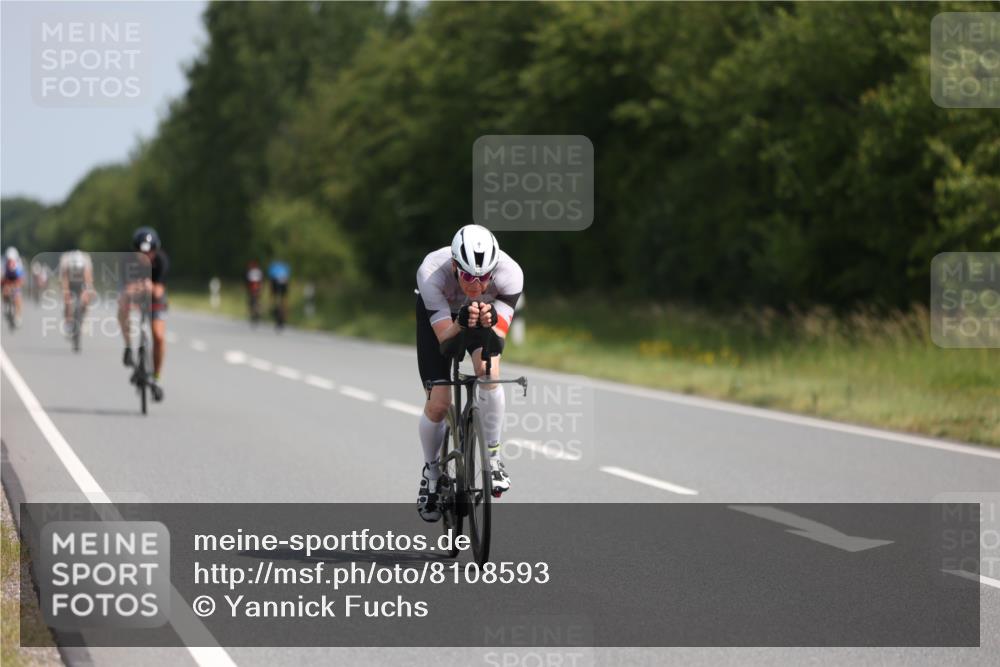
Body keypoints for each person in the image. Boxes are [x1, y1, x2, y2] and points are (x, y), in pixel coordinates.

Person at [414, 224, 523, 522]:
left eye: (484, 278)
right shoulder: (431, 273)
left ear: (494, 270)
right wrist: (460, 324)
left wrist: (488, 323)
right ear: (454, 265)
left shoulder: (510, 274)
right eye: (467, 277)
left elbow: (497, 341)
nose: (476, 285)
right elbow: (446, 344)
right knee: (438, 402)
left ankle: (494, 458)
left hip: (482, 316)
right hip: (441, 320)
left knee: (489, 372)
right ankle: (432, 474)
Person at [118, 227, 168, 401]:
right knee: (122, 305)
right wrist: (136, 290)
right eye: (141, 253)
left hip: (154, 298)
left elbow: (160, 291)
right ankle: (128, 347)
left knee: (159, 336)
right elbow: (126, 290)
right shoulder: (127, 262)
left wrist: (151, 287)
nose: (146, 256)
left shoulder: (161, 261)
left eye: (150, 252)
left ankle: (156, 377)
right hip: (134, 296)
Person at [58, 249, 94, 334]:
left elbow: (88, 280)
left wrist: (87, 292)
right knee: (67, 300)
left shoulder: (86, 264)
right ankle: (68, 321)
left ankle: (83, 319)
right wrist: (66, 293)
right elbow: (64, 281)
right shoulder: (66, 264)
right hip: (70, 283)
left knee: (87, 298)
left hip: (82, 283)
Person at [2, 247, 25, 326]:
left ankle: (18, 316)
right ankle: (6, 305)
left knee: (17, 297)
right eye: (9, 260)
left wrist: (17, 287)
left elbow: (21, 279)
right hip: (7, 280)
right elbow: (2, 278)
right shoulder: (4, 264)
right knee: (5, 291)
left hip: (16, 281)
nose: (10, 261)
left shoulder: (19, 264)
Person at [267, 259, 290, 328]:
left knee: (275, 296)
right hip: (284, 282)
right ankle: (285, 311)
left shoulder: (273, 266)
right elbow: (287, 278)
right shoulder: (285, 266)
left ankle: (273, 306)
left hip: (275, 282)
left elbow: (271, 280)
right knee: (284, 298)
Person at [245, 259, 264, 324]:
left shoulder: (250, 271)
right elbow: (261, 281)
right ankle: (258, 310)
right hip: (257, 287)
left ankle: (254, 312)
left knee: (251, 300)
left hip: (252, 287)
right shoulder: (259, 271)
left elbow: (248, 281)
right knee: (257, 299)